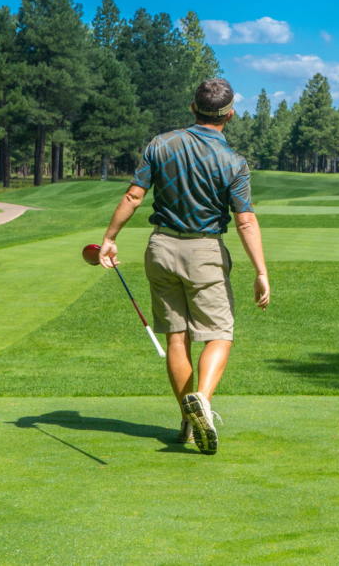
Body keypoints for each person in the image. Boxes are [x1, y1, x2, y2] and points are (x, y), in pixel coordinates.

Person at [99, 78, 270, 455]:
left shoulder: (160, 144)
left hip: (160, 248)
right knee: (219, 333)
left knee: (178, 337)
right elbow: (244, 221)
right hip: (204, 251)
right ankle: (203, 403)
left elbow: (133, 195)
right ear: (230, 114)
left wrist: (110, 237)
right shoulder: (235, 162)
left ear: (193, 108)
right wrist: (260, 272)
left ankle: (188, 421)